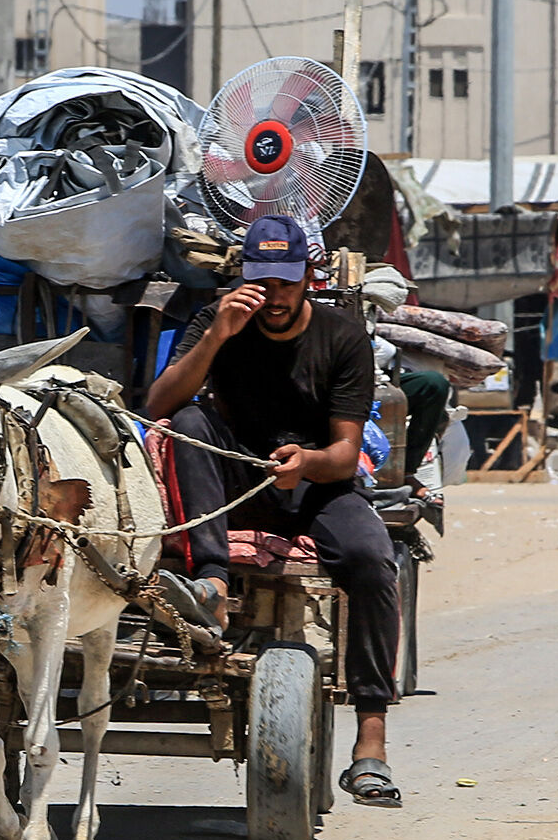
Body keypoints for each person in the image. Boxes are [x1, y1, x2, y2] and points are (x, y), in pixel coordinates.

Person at [144, 212, 402, 808]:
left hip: (316, 484)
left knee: (371, 560)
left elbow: (344, 454)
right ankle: (209, 581)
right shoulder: (221, 319)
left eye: (286, 282)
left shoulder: (342, 337)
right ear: (245, 278)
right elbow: (158, 404)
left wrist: (305, 463)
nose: (274, 295)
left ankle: (372, 737)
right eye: (263, 281)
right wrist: (217, 336)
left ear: (308, 277)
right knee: (187, 423)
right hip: (236, 478)